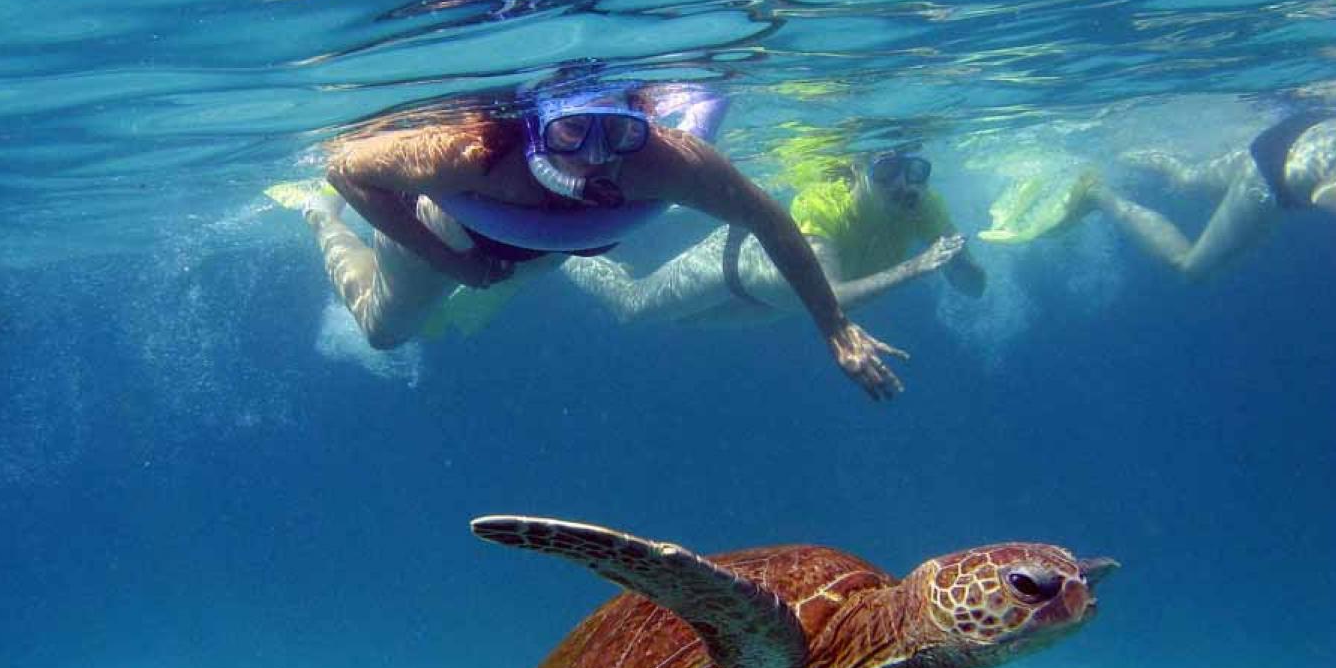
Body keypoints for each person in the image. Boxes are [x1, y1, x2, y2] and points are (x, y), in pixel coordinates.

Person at [314, 78, 904, 399]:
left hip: (541, 248)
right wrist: (450, 262)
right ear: (536, 127)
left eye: (617, 132)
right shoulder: (472, 154)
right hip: (445, 230)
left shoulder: (665, 161)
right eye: (571, 131)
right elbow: (344, 168)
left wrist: (834, 325)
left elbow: (770, 221)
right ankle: (320, 222)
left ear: (640, 122)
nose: (596, 157)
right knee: (385, 333)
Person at [560, 150, 982, 324]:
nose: (902, 184)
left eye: (915, 170)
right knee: (631, 306)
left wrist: (960, 261)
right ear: (857, 172)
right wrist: (918, 266)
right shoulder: (825, 205)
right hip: (730, 271)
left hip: (774, 307)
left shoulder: (924, 205)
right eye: (885, 171)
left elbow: (973, 290)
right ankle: (565, 252)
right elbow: (829, 299)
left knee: (687, 325)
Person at [1086, 112, 1336, 277]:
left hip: (1298, 133)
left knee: (1187, 178)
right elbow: (1326, 189)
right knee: (1191, 267)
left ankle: (1141, 157)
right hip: (1271, 176)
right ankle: (1098, 194)